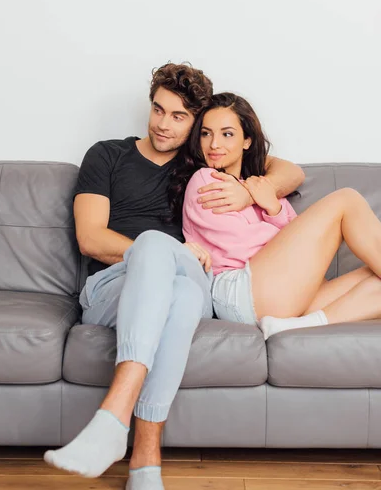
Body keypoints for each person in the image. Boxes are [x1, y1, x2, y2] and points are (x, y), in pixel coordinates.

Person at [44, 65, 305, 488]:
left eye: (180, 116)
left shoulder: (202, 159)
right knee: (163, 263)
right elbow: (90, 238)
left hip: (192, 277)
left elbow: (290, 171)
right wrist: (163, 248)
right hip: (112, 286)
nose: (164, 124)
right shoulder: (107, 154)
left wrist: (248, 190)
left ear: (197, 123)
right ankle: (145, 465)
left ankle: (113, 422)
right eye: (158, 110)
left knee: (181, 284)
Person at [179, 92, 381, 340]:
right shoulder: (205, 180)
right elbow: (245, 248)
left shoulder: (259, 186)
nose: (214, 145)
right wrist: (272, 211)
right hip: (240, 291)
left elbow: (296, 242)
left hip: (280, 294)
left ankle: (299, 326)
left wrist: (271, 207)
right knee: (347, 199)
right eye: (206, 133)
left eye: (227, 134)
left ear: (247, 141)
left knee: (375, 278)